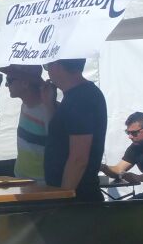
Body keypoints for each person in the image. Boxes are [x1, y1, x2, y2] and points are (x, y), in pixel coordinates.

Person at [43, 59, 107, 202]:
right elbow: (59, 136)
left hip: (78, 198)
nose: (47, 71)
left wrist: (63, 198)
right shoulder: (75, 96)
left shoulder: (81, 98)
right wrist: (48, 104)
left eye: (47, 65)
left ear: (57, 66)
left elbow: (79, 158)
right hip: (71, 193)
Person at [0, 64, 54, 180]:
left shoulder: (48, 110)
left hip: (41, 185)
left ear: (25, 83)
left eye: (9, 80)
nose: (6, 84)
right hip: (21, 178)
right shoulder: (25, 105)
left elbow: (55, 145)